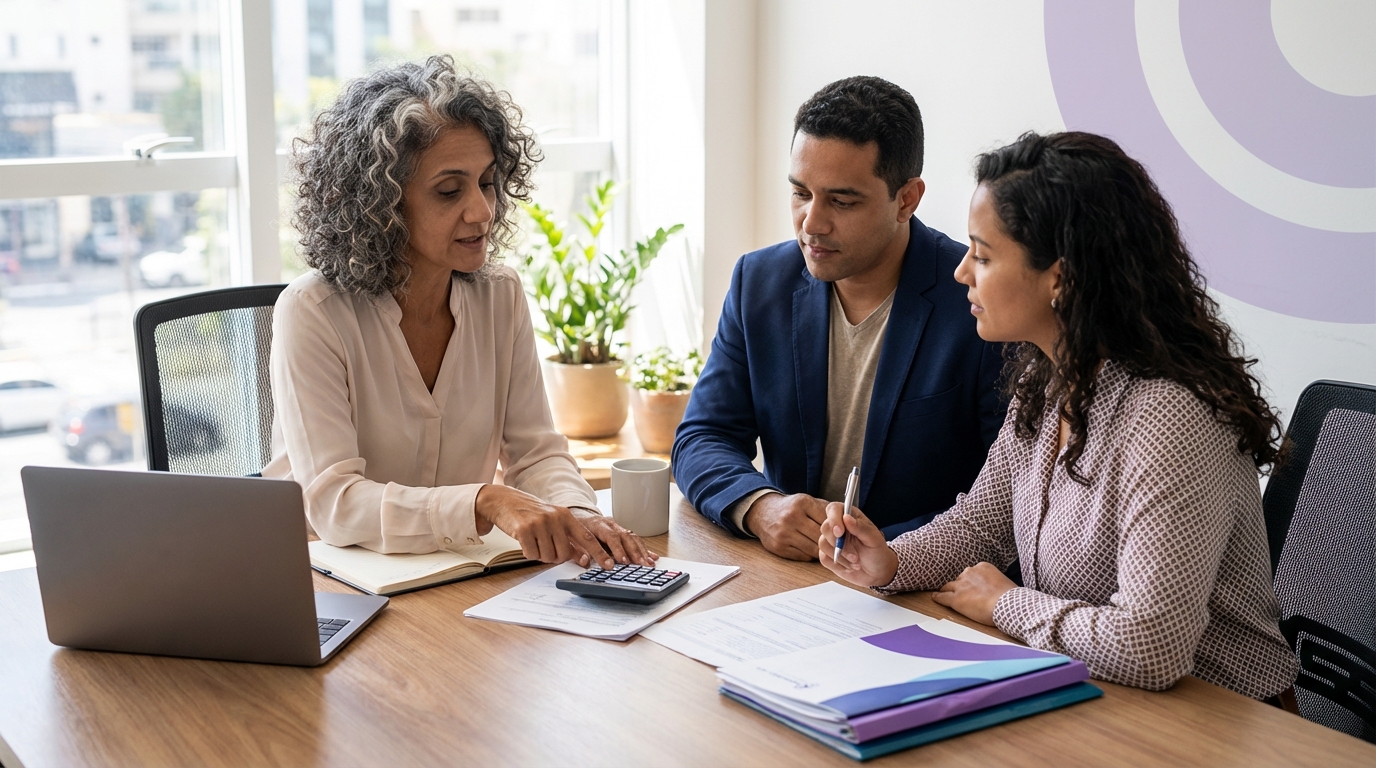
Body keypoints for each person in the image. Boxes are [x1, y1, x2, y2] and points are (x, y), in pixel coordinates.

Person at [820, 131, 1299, 701]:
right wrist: (891, 562)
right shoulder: (1045, 378)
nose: (962, 273)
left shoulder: (1171, 415)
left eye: (984, 255)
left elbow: (1151, 646)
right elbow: (981, 525)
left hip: (1222, 724)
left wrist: (1004, 602)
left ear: (1061, 278)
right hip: (1098, 696)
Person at [263, 56, 653, 570]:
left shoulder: (500, 295)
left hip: (455, 578)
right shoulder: (314, 311)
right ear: (381, 204)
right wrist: (482, 500)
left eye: (487, 182)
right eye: (450, 190)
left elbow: (535, 453)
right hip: (332, 583)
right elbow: (335, 503)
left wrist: (580, 514)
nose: (482, 210)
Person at [672, 76, 1005, 560]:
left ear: (907, 199)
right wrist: (760, 506)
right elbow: (703, 435)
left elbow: (1008, 496)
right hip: (788, 579)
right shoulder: (759, 282)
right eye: (800, 193)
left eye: (841, 201)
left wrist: (880, 551)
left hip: (919, 586)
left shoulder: (976, 300)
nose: (812, 223)